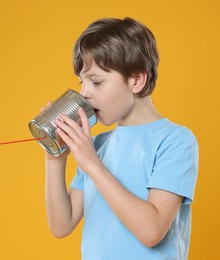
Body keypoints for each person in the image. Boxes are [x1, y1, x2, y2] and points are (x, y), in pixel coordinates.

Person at [43, 17, 199, 259]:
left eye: (96, 81)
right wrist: (56, 158)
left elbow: (151, 231)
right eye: (81, 82)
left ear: (136, 80)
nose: (84, 93)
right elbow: (61, 226)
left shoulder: (175, 141)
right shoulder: (98, 145)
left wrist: (93, 165)